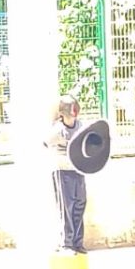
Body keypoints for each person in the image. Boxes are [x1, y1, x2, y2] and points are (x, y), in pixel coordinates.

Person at [45, 96, 87, 254]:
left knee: (79, 204)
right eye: (70, 109)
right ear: (63, 113)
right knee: (66, 208)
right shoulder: (57, 130)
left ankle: (77, 242)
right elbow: (45, 143)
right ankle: (66, 243)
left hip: (78, 170)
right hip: (62, 171)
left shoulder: (81, 126)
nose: (74, 112)